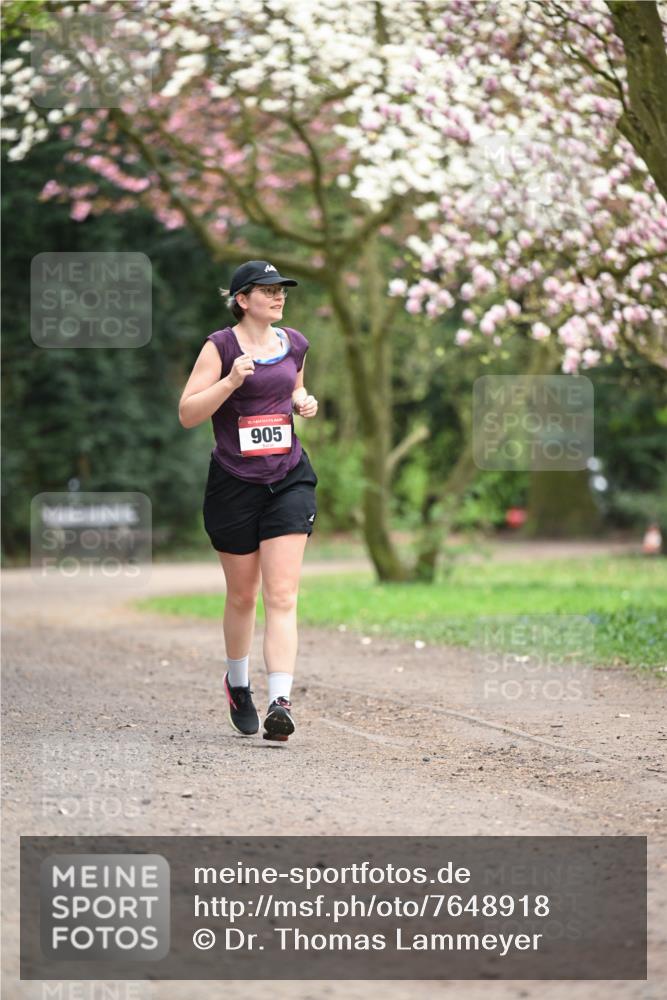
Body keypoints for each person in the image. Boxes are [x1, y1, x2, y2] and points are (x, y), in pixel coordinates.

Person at [178, 260, 318, 742]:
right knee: (242, 595)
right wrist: (231, 382)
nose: (278, 297)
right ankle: (238, 685)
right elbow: (188, 413)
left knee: (281, 595)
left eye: (282, 290)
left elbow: (293, 388)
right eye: (267, 290)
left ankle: (281, 700)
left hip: (288, 478)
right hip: (234, 483)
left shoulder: (295, 344)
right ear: (242, 299)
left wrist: (303, 401)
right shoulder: (220, 347)